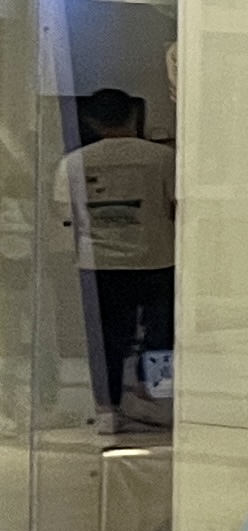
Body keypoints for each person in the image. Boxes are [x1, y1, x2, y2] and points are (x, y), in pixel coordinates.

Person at [56, 87, 175, 428]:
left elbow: (66, 216)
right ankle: (159, 398)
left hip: (98, 264)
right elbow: (176, 206)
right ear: (134, 115)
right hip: (156, 259)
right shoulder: (163, 158)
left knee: (106, 338)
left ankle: (107, 408)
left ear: (91, 121)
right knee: (160, 333)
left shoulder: (72, 164)